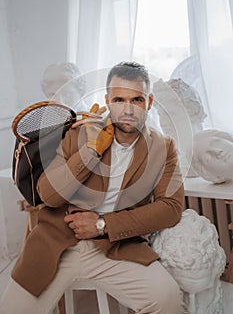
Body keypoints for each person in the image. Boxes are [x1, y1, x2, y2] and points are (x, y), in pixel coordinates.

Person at [0, 61, 185, 314]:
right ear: (108, 100)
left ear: (149, 102)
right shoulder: (79, 133)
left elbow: (171, 208)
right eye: (119, 99)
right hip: (56, 245)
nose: (128, 109)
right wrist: (90, 151)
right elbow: (49, 196)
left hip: (117, 247)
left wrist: (102, 224)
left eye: (137, 100)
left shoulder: (163, 147)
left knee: (168, 299)